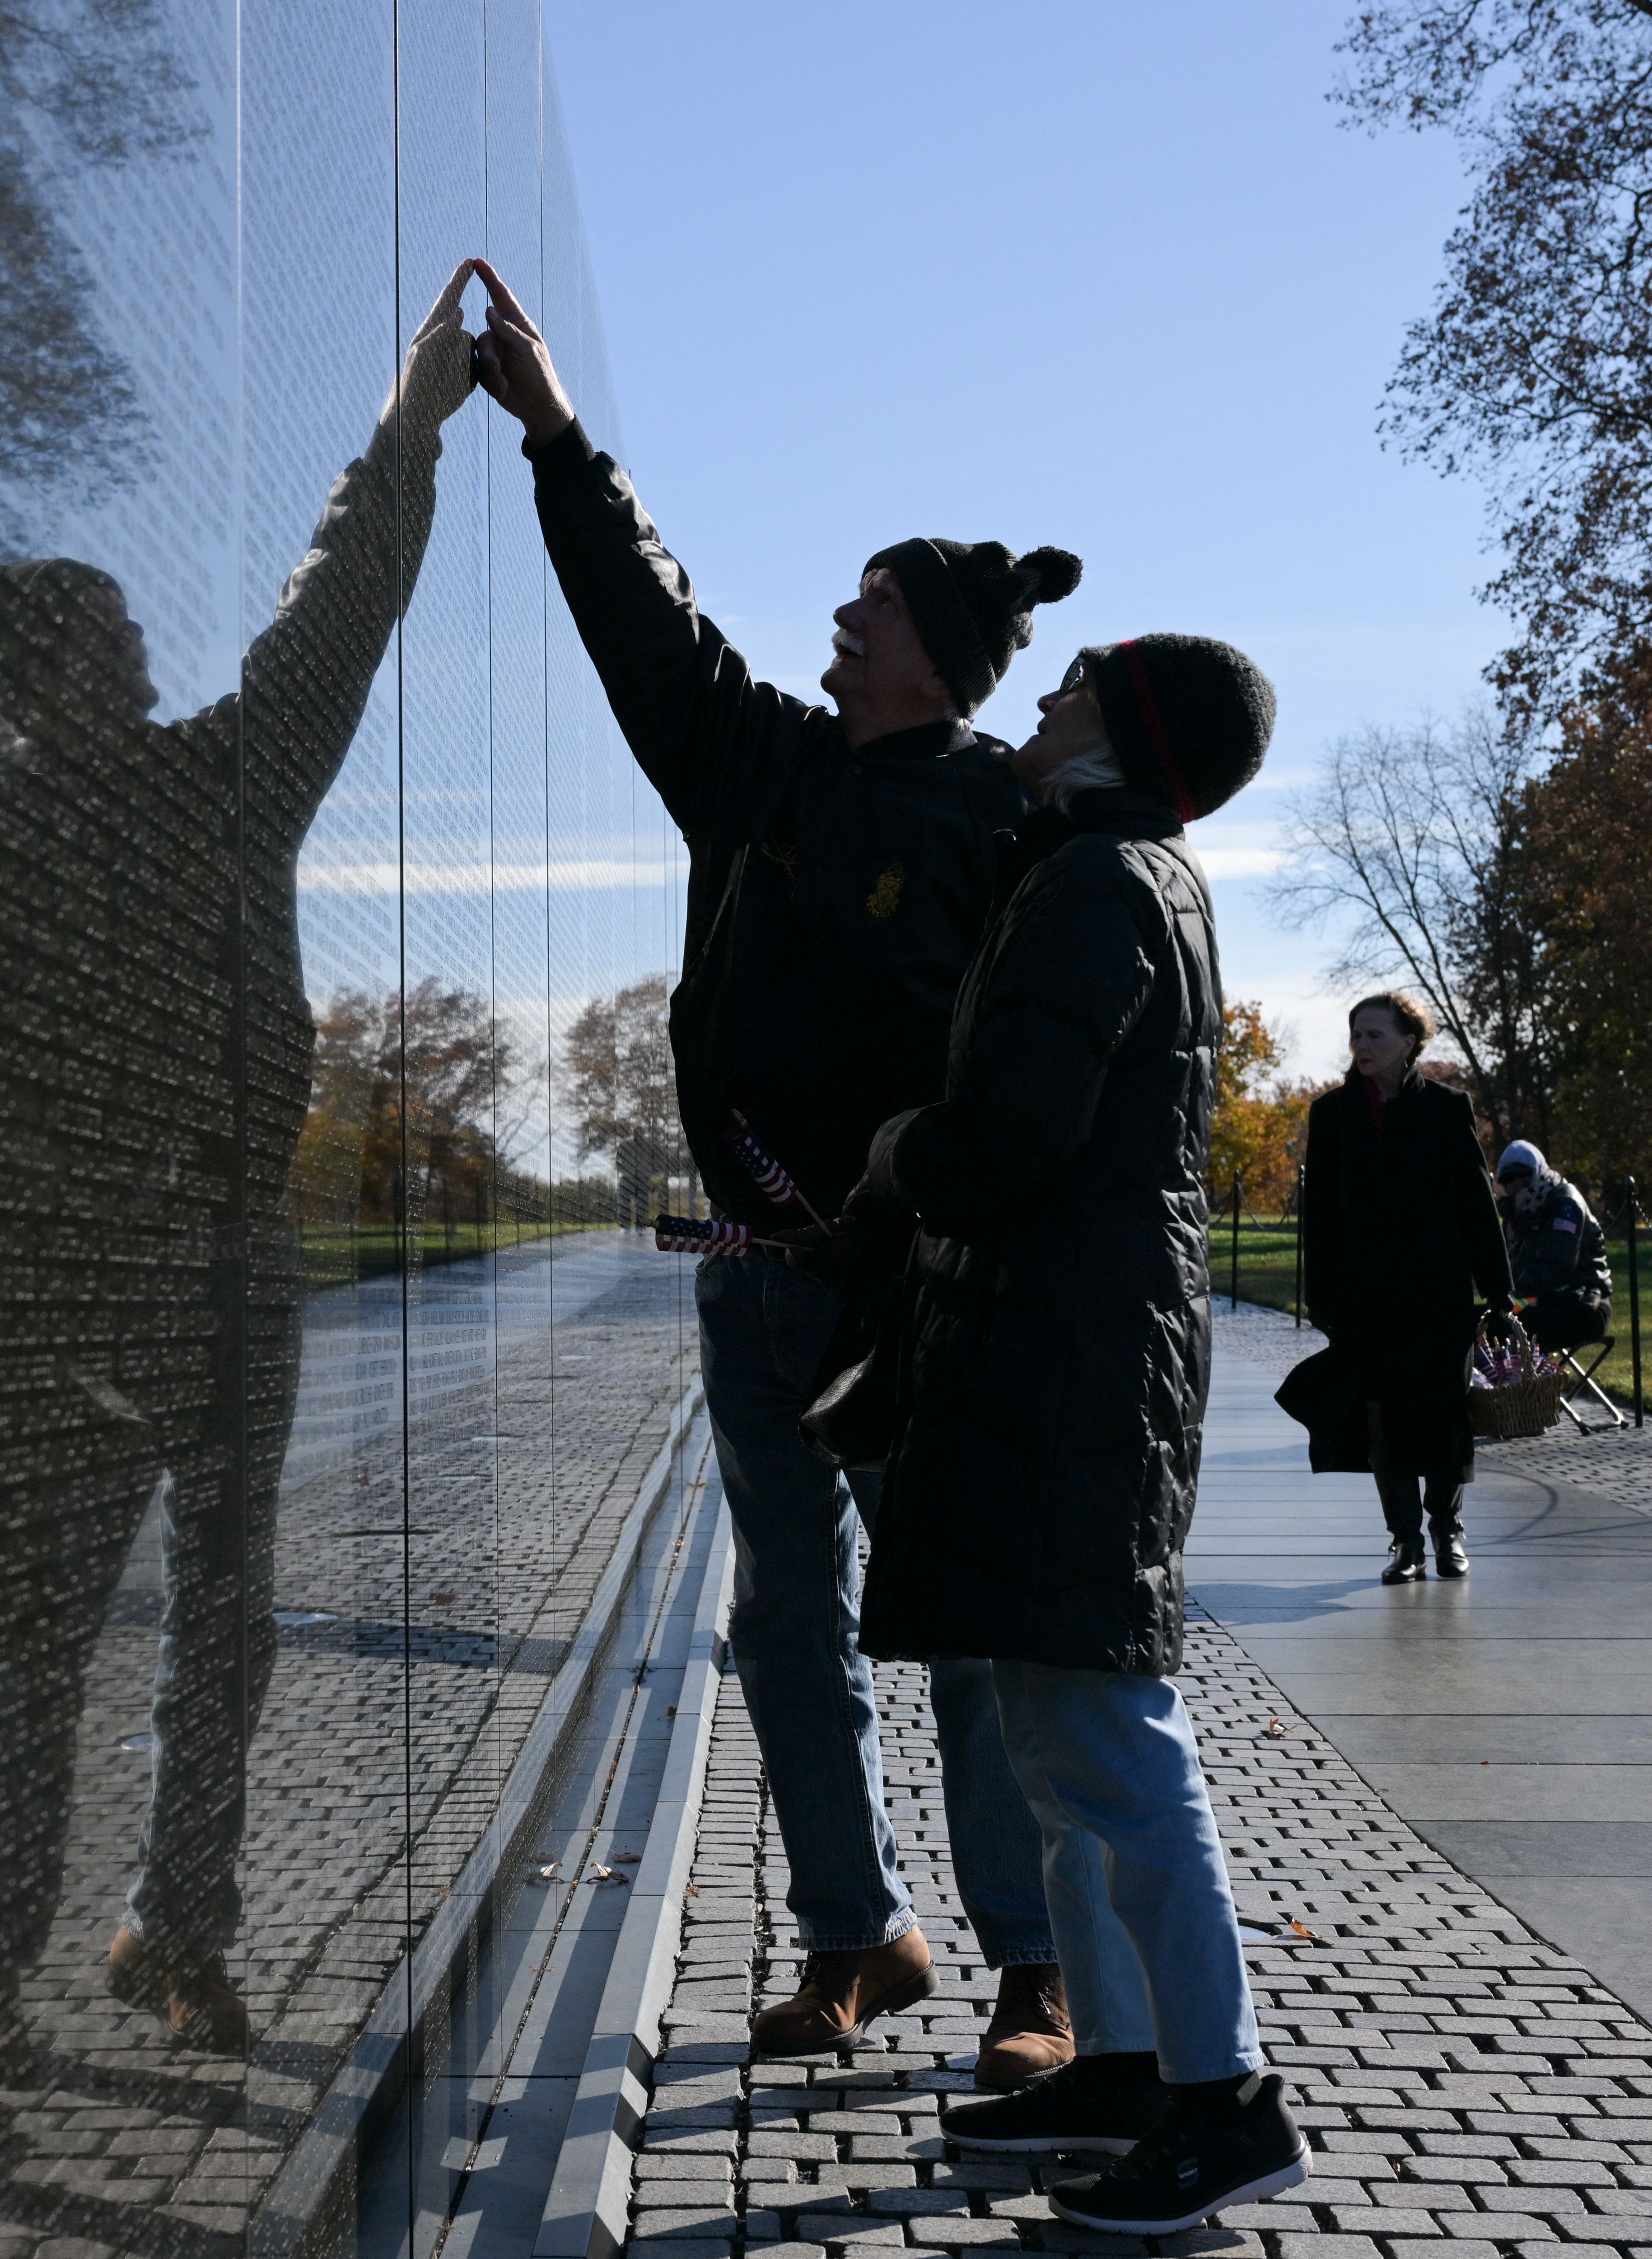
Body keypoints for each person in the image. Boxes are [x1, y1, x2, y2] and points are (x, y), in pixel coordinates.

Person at [468, 256, 1098, 2083]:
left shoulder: (1005, 818)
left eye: (865, 601)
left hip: (920, 1283)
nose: (834, 615)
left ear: (930, 651)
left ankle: (1034, 1965)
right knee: (782, 1620)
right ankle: (859, 1932)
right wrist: (562, 442)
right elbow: (646, 627)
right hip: (752, 1270)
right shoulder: (764, 770)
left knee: (965, 1630)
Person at [0, 262, 481, 2078]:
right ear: (37, 675)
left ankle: (177, 1931)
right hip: (71, 1278)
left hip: (236, 1260)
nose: (143, 661)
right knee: (40, 1633)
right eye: (106, 644)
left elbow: (331, 621)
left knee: (224, 1624)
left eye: (132, 640)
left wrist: (402, 435)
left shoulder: (214, 781)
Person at [821, 639, 1309, 2236]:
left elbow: (1010, 1135)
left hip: (1073, 1359)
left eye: (1076, 685)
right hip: (1065, 1347)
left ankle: (1221, 2099)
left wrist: (896, 1148)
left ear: (1121, 733)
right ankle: (1128, 2057)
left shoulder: (1100, 884)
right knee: (1057, 1739)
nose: (1042, 701)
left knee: (1111, 1743)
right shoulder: (1102, 870)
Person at [1293, 996, 1515, 1583]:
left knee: (1444, 1416)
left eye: (1373, 1035)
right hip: (1365, 1300)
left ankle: (1447, 1529)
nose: (1360, 1046)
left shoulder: (1446, 1109)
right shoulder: (1333, 1113)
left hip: (1439, 1295)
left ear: (1409, 1042)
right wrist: (1322, 1299)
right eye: (1355, 1035)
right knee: (1380, 1421)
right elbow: (1318, 1218)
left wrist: (1499, 1294)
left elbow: (1476, 1207)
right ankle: (1405, 1542)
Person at [1496, 1137, 1611, 1350]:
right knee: (1480, 1321)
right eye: (1508, 1179)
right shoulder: (1528, 1213)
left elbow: (1557, 1265)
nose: (1515, 1183)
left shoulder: (1565, 1204)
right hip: (1547, 1301)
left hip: (1584, 1306)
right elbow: (1516, 1270)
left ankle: (1515, 1381)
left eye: (1523, 1175)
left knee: (1495, 1327)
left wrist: (1511, 1300)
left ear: (1537, 1172)